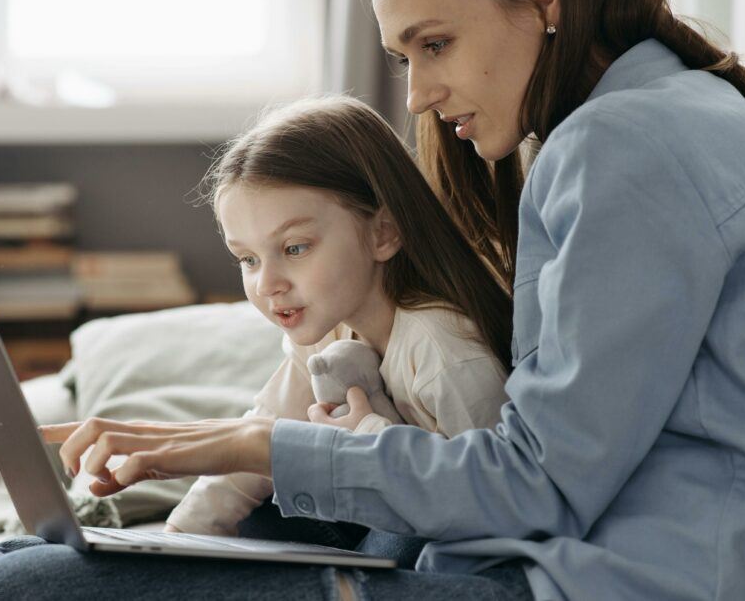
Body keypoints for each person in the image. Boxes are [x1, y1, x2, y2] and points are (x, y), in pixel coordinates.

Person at [0, 0, 745, 599]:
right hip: (604, 556)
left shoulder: (621, 147)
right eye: (403, 57)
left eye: (437, 44)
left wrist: (246, 446)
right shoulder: (676, 112)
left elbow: (536, 486)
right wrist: (225, 443)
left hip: (607, 579)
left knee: (12, 588)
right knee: (23, 564)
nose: (415, 94)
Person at [162, 96, 511, 555]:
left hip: (453, 535)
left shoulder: (443, 352)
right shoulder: (326, 326)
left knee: (399, 542)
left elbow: (499, 500)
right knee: (261, 516)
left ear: (382, 233)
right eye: (247, 259)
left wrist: (366, 436)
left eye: (295, 248)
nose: (267, 284)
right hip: (382, 518)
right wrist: (174, 540)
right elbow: (263, 433)